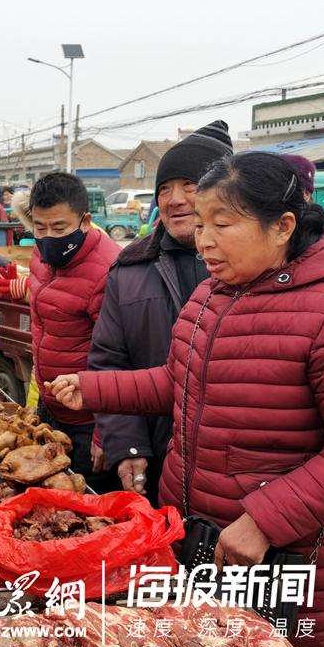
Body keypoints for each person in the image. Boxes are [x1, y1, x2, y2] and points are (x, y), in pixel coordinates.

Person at [50, 151, 324, 647]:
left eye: (222, 224)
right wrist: (94, 388)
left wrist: (266, 521)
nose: (204, 240)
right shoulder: (212, 295)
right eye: (200, 225)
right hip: (202, 542)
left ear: (283, 227)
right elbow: (177, 383)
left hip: (283, 558)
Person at [87, 120, 234, 503]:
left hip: (237, 475)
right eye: (164, 189)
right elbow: (109, 362)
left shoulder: (256, 268)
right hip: (155, 460)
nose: (175, 199)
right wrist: (127, 444)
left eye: (190, 185)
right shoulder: (131, 269)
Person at [0, 172, 122, 493]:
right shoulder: (42, 254)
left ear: (85, 220)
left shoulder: (109, 270)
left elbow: (119, 356)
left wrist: (105, 432)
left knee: (81, 505)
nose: (49, 236)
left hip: (88, 422)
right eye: (40, 227)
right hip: (49, 407)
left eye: (60, 228)